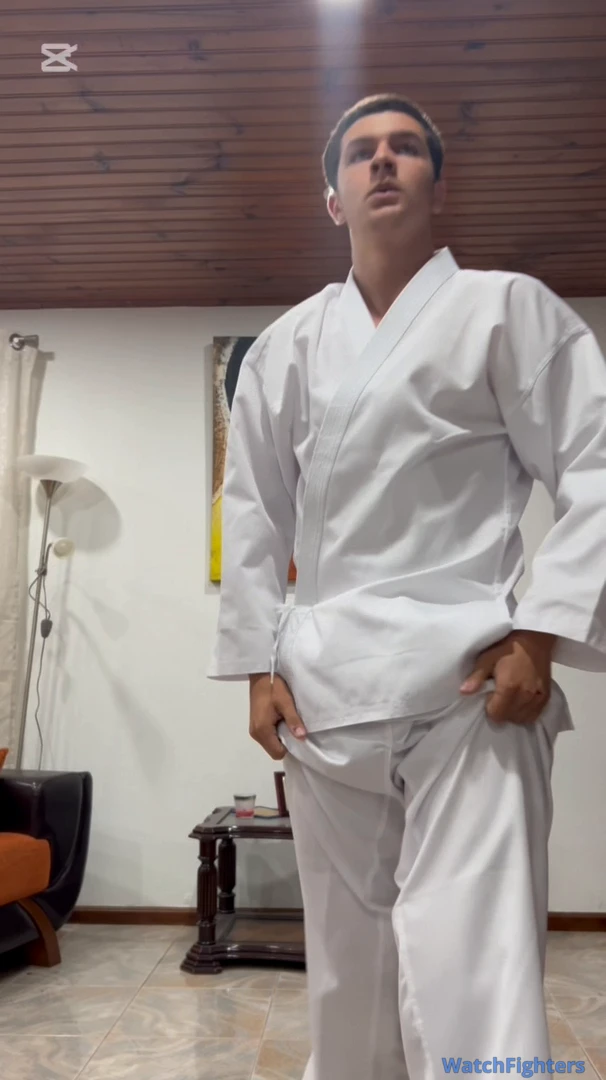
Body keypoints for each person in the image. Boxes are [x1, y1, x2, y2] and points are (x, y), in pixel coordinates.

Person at [208, 93, 606, 1080]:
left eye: (404, 149)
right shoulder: (287, 345)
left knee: (475, 963)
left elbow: (596, 469)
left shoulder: (509, 311)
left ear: (438, 182)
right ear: (333, 198)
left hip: (471, 687)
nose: (382, 162)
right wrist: (257, 668)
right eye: (361, 152)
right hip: (323, 693)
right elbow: (252, 510)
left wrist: (541, 634)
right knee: (350, 969)